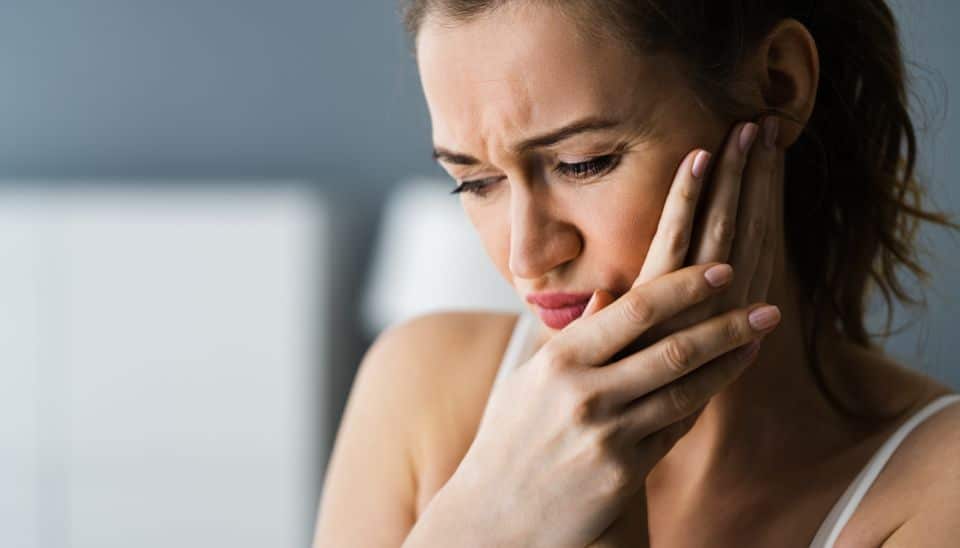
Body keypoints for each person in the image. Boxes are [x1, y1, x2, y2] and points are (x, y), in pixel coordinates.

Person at [314, 1, 960, 546]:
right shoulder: (422, 387)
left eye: (584, 163)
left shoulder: (939, 485)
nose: (528, 255)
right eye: (476, 183)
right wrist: (481, 517)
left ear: (779, 85)